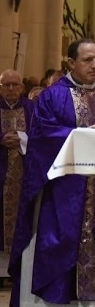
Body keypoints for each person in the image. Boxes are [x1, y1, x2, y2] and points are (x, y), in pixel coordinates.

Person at [8, 38, 95, 307]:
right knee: (59, 243)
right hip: (63, 192)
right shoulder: (52, 97)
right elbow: (41, 135)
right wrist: (79, 134)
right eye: (88, 60)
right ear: (71, 63)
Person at [0, 70, 32, 287]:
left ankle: (19, 269)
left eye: (15, 84)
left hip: (24, 174)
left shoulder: (32, 109)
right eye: (6, 85)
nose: (11, 88)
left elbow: (41, 135)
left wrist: (21, 139)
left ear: (22, 87)